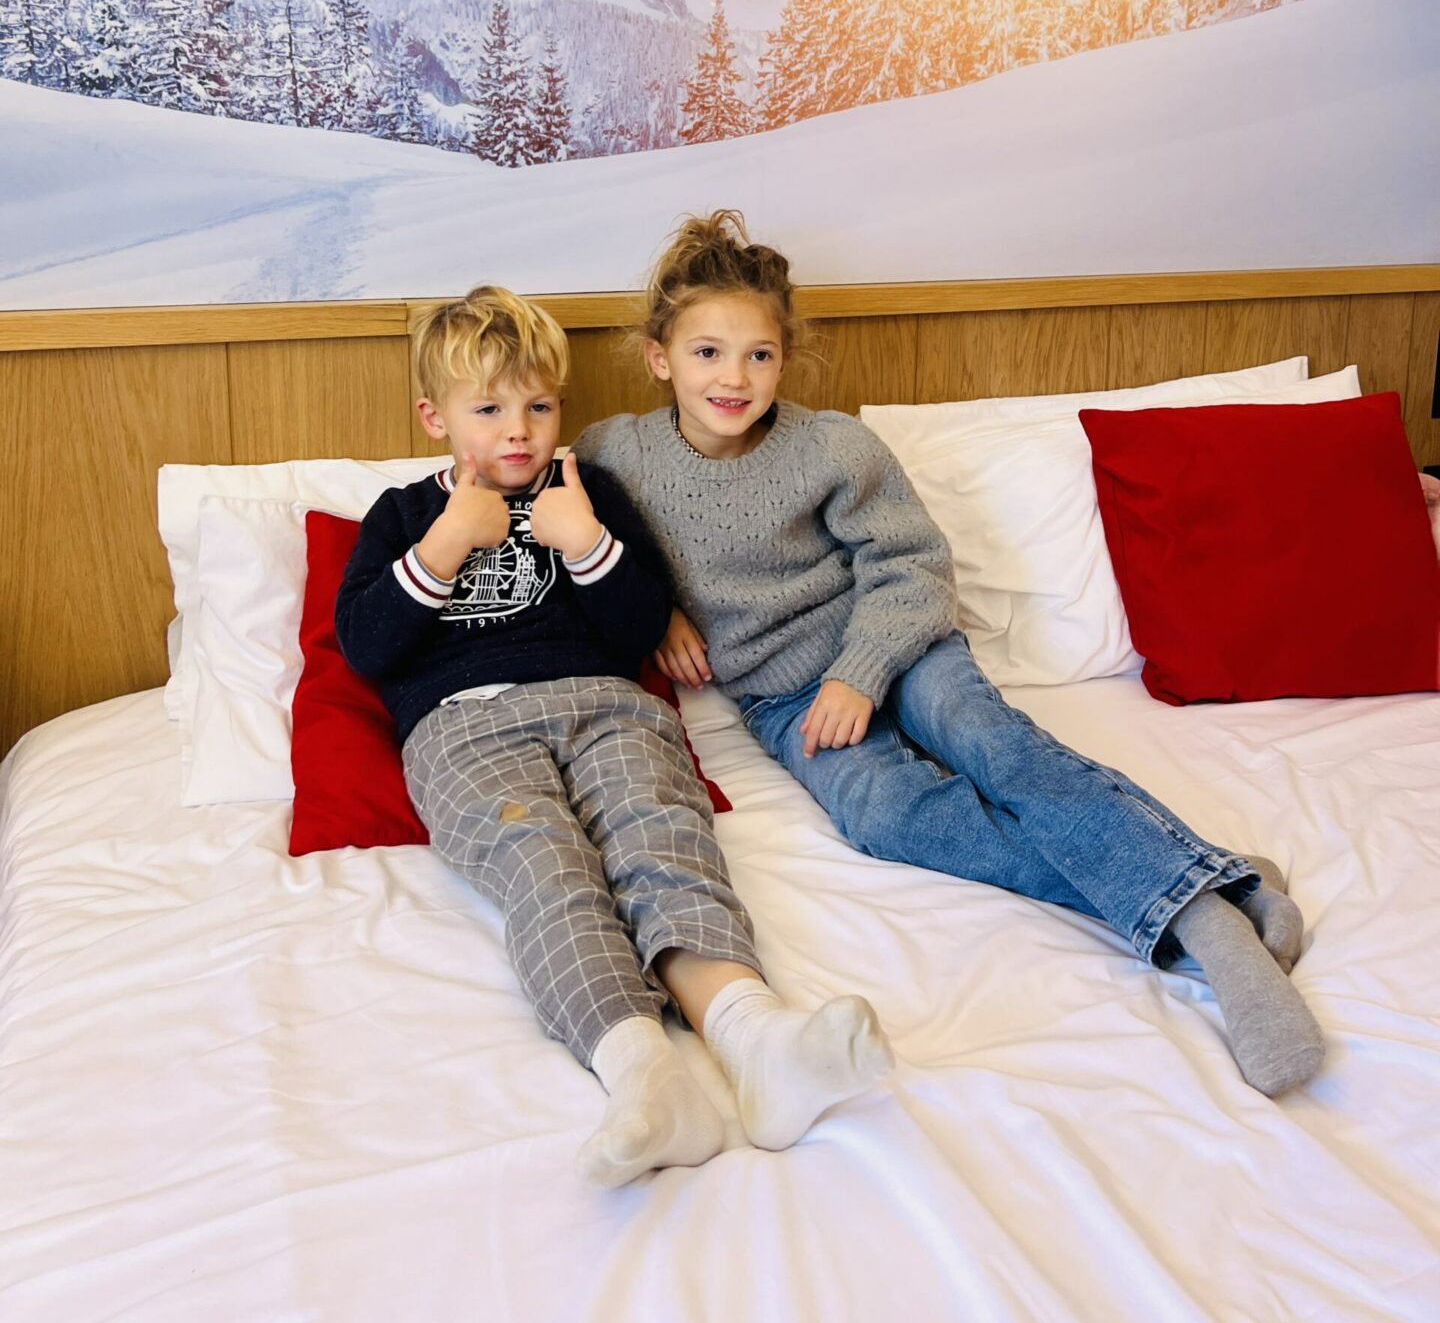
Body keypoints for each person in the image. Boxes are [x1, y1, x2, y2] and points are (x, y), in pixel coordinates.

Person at [574, 214, 1326, 1098]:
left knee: (997, 749)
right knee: (888, 819)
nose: (732, 378)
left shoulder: (832, 446)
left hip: (899, 648)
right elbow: (586, 550)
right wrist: (657, 611)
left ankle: (1202, 923)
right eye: (707, 353)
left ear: (786, 359)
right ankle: (1215, 891)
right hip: (783, 698)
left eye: (758, 355)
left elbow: (915, 566)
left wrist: (861, 671)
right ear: (660, 357)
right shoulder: (612, 454)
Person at [335, 284, 893, 1188]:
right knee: (544, 867)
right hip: (465, 726)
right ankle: (644, 1076)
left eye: (538, 407)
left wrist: (587, 542)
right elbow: (365, 644)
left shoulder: (589, 491)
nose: (519, 432)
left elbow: (639, 628)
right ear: (435, 418)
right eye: (488, 411)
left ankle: (756, 1038)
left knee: (659, 836)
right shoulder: (402, 514)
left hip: (605, 702)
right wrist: (445, 544)